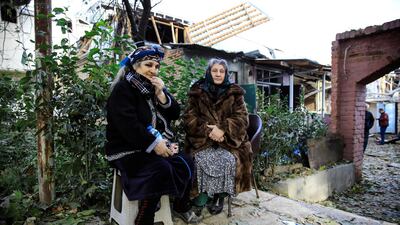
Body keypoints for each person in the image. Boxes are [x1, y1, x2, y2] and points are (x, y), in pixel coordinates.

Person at [105, 44, 201, 225]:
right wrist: (156, 145)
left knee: (186, 162)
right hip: (127, 148)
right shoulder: (123, 90)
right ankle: (145, 217)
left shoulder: (151, 88)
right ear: (135, 66)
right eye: (148, 65)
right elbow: (128, 127)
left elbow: (174, 113)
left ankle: (181, 206)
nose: (154, 70)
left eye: (157, 66)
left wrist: (161, 94)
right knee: (161, 169)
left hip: (151, 143)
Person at [183, 58, 253, 215]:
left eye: (221, 71)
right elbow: (189, 118)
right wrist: (209, 132)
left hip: (229, 141)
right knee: (200, 159)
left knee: (228, 160)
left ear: (226, 73)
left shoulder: (235, 93)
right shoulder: (197, 91)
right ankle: (201, 197)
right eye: (215, 70)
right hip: (202, 140)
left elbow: (242, 118)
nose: (218, 74)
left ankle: (220, 196)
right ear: (209, 72)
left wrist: (222, 129)